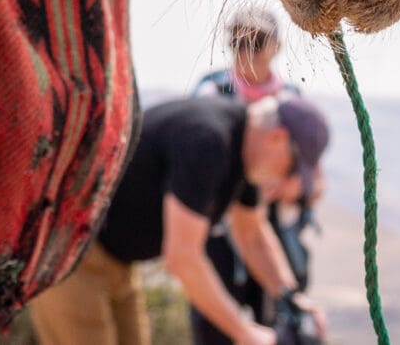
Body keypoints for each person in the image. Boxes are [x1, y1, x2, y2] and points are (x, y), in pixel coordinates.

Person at [26, 91, 328, 345]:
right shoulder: (209, 141)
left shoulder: (243, 151)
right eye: (291, 169)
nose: (285, 180)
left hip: (116, 261)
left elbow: (252, 233)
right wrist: (246, 334)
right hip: (72, 251)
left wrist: (291, 296)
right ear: (277, 138)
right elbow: (183, 258)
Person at [190, 4, 317, 345]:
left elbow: (313, 181)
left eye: (257, 41)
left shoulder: (293, 100)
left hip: (278, 228)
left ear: (277, 45)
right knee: (214, 329)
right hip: (217, 236)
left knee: (283, 328)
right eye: (238, 42)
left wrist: (289, 187)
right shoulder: (211, 93)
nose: (247, 52)